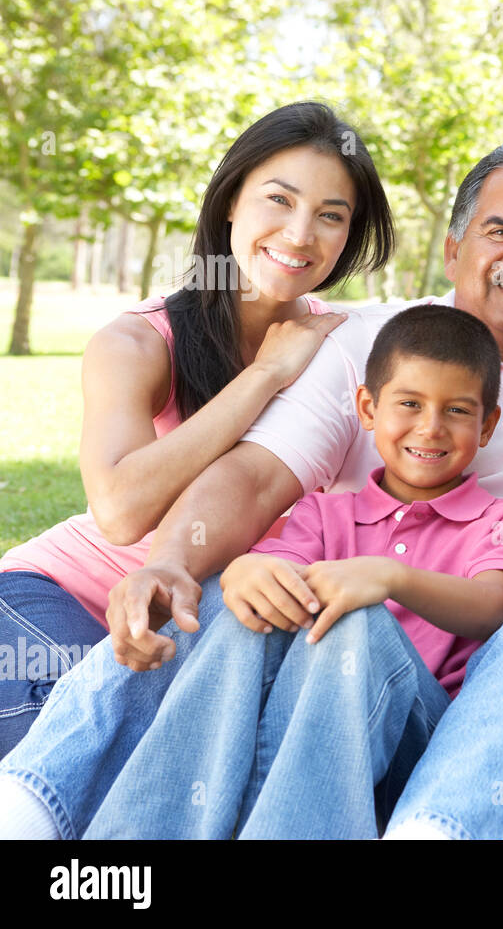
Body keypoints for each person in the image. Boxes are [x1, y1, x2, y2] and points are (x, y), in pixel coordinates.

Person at [0, 139, 503, 840]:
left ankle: (437, 830)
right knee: (228, 590)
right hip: (335, 649)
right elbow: (251, 480)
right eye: (501, 231)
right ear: (453, 250)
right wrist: (174, 561)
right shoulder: (366, 343)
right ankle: (38, 815)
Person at [0, 101, 392, 755]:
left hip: (206, 628)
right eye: (278, 200)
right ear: (231, 202)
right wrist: (263, 377)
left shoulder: (345, 344)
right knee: (80, 745)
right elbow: (121, 511)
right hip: (63, 596)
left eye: (331, 215)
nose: (300, 235)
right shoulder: (135, 342)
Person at [79, 306, 503, 837]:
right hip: (306, 722)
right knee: (239, 609)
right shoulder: (323, 513)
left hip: (417, 738)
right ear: (367, 409)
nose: (431, 427)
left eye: (458, 411)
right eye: (410, 404)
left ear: (487, 424)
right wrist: (245, 573)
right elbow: (280, 574)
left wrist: (389, 579)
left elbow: (491, 608)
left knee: (356, 621)